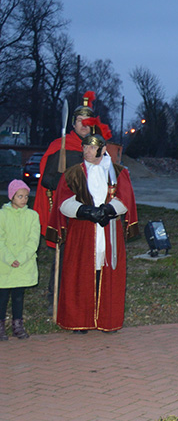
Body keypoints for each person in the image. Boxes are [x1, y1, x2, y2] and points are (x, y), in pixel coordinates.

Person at [47, 117, 138, 333]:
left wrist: (108, 210)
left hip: (109, 230)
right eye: (85, 147)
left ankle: (107, 319)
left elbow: (125, 199)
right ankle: (79, 320)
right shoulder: (73, 173)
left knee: (107, 273)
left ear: (103, 149)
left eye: (91, 147)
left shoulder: (118, 172)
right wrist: (85, 211)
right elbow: (63, 201)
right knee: (80, 273)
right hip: (82, 231)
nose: (86, 151)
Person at [34, 91, 96, 308]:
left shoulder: (98, 149)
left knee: (86, 259)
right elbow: (47, 180)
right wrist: (64, 182)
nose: (84, 125)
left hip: (89, 213)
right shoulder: (60, 146)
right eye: (80, 121)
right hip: (66, 211)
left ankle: (81, 300)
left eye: (87, 121)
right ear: (73, 123)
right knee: (63, 257)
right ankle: (56, 299)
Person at [0, 180, 40, 340]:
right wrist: (9, 259)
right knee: (2, 296)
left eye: (26, 196)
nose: (24, 199)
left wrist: (21, 258)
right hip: (4, 264)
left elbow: (33, 240)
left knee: (18, 296)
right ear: (12, 196)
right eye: (20, 196)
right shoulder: (2, 215)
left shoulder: (32, 216)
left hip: (24, 264)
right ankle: (1, 325)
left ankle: (18, 325)